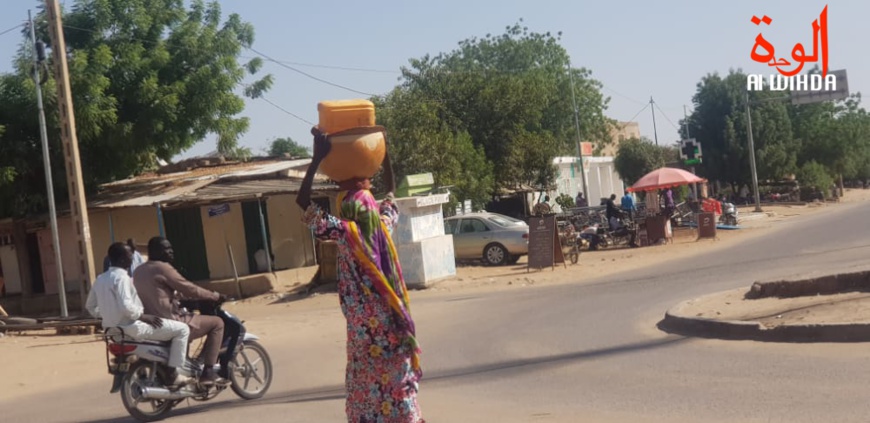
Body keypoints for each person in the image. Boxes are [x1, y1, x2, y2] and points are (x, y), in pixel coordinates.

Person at [296, 128, 424, 422]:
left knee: (366, 395)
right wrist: (383, 154)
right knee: (399, 392)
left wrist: (317, 159)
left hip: (362, 340)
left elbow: (303, 202)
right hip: (393, 330)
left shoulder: (344, 232)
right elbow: (391, 192)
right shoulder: (382, 225)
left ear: (348, 211)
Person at [87, 242, 192, 386]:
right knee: (182, 329)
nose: (132, 258)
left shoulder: (100, 279)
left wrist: (108, 313)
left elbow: (90, 306)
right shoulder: (122, 278)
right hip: (132, 328)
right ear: (123, 259)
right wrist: (143, 316)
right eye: (130, 255)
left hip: (113, 332)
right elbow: (127, 306)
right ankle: (173, 374)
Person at [133, 237, 227, 386]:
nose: (171, 251)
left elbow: (161, 292)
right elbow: (189, 288)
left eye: (171, 248)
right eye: (166, 248)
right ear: (155, 251)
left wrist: (179, 298)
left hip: (150, 321)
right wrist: (214, 296)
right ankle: (208, 373)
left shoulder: (138, 271)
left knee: (191, 321)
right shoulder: (162, 267)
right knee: (217, 323)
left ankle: (186, 367)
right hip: (170, 320)